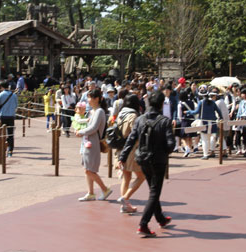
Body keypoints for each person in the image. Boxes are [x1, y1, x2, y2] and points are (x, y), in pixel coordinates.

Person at [119, 90, 175, 238]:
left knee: (152, 189)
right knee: (154, 192)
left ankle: (161, 218)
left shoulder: (140, 119)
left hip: (142, 158)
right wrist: (163, 150)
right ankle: (143, 224)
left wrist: (123, 156)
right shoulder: (165, 121)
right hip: (158, 161)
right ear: (162, 104)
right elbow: (171, 145)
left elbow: (131, 139)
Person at [74, 89, 112, 202]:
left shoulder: (99, 111)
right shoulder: (93, 111)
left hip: (93, 142)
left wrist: (80, 132)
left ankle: (105, 189)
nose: (88, 100)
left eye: (90, 98)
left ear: (97, 99)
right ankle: (90, 193)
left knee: (89, 170)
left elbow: (93, 128)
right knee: (87, 168)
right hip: (87, 141)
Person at [114, 94, 144, 213]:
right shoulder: (133, 115)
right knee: (141, 176)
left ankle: (125, 205)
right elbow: (135, 134)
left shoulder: (121, 114)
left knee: (126, 177)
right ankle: (125, 198)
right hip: (131, 149)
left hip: (121, 148)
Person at [188, 88, 222, 160]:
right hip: (213, 123)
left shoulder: (201, 102)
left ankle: (205, 154)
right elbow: (219, 111)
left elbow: (196, 112)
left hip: (204, 123)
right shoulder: (212, 102)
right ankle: (212, 151)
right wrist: (221, 118)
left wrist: (188, 112)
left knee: (204, 140)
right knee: (212, 138)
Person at [0, 81, 18, 156]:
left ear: (2, 87)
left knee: (0, 133)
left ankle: (1, 149)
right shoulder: (14, 95)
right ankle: (10, 150)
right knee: (10, 134)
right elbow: (16, 105)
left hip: (2, 116)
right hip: (11, 116)